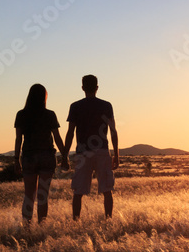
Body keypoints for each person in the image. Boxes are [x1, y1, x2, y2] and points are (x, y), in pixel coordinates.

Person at [63, 74, 119, 220]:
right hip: (102, 151)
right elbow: (113, 132)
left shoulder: (75, 106)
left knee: (78, 191)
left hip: (83, 153)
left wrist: (65, 155)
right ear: (97, 88)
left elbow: (70, 133)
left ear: (82, 88)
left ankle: (76, 221)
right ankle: (109, 219)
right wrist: (117, 155)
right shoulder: (106, 105)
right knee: (107, 189)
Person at [14, 84, 68, 223]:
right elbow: (57, 138)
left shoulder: (21, 114)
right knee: (42, 195)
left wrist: (16, 159)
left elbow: (19, 139)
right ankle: (42, 227)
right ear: (44, 97)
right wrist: (64, 156)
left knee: (29, 195)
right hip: (47, 156)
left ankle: (27, 228)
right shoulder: (49, 114)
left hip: (29, 156)